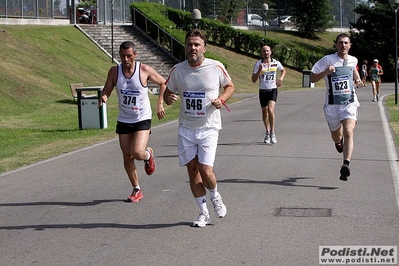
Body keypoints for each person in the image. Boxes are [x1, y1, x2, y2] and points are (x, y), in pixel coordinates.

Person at [163, 29, 235, 227]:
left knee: (206, 171)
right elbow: (168, 92)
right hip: (186, 128)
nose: (192, 48)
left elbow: (230, 86)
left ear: (204, 47)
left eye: (196, 44)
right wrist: (168, 98)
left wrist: (221, 99)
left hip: (209, 127)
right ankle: (203, 213)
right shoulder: (178, 70)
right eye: (189, 44)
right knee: (192, 171)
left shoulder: (215, 67)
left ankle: (215, 195)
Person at [98, 41, 166, 202]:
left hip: (142, 117)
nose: (126, 59)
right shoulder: (115, 71)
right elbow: (107, 89)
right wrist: (104, 96)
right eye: (122, 56)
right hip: (124, 118)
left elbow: (164, 83)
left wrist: (160, 103)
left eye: (129, 56)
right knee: (127, 156)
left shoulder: (144, 70)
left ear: (135, 55)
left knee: (137, 153)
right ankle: (137, 189)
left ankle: (147, 154)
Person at [310, 33, 364, 181]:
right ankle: (338, 143)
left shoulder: (353, 60)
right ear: (336, 45)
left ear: (350, 45)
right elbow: (312, 77)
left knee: (349, 131)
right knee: (337, 136)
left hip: (349, 103)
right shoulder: (328, 60)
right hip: (332, 105)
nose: (343, 45)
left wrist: (358, 81)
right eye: (340, 43)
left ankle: (345, 164)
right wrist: (326, 72)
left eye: (346, 43)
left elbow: (354, 71)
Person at [251, 45, 286, 144]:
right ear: (261, 53)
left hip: (273, 90)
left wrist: (281, 78)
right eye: (264, 51)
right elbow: (253, 80)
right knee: (264, 112)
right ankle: (267, 132)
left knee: (271, 110)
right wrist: (259, 70)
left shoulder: (276, 63)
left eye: (267, 51)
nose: (266, 53)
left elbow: (283, 70)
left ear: (271, 52)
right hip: (263, 90)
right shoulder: (258, 64)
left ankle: (272, 132)